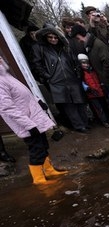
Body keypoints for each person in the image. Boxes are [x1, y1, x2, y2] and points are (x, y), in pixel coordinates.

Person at [0, 55, 67, 184]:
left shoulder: (5, 76)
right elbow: (7, 108)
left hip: (33, 118)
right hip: (26, 123)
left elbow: (22, 95)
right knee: (36, 149)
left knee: (43, 145)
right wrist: (28, 125)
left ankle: (48, 170)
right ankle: (39, 179)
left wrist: (37, 101)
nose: (1, 60)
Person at [71, 24, 109, 127]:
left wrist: (104, 76)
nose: (78, 41)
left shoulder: (97, 44)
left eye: (78, 38)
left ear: (82, 35)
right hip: (106, 79)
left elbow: (108, 63)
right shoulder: (90, 45)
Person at [32, 25, 90, 133]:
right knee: (69, 106)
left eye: (55, 37)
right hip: (57, 81)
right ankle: (79, 126)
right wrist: (48, 76)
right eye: (50, 37)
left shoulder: (64, 47)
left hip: (72, 78)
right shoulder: (41, 49)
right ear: (46, 38)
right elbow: (37, 64)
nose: (53, 39)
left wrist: (78, 73)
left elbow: (74, 60)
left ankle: (86, 123)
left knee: (80, 102)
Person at [78, 54, 109, 128]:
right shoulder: (81, 73)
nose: (85, 65)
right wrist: (88, 89)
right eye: (83, 63)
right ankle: (104, 121)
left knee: (104, 106)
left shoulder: (93, 70)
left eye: (86, 62)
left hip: (100, 91)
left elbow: (98, 79)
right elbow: (82, 83)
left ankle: (107, 118)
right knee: (98, 108)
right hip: (92, 94)